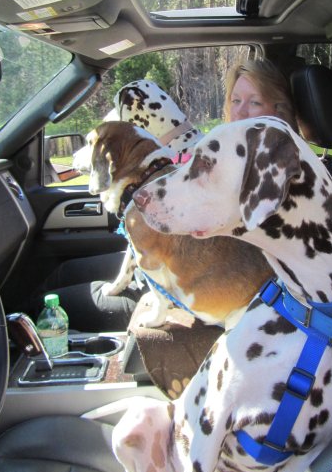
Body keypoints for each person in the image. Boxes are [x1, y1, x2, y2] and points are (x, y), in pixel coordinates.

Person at [32, 60, 300, 332]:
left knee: (42, 301)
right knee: (61, 274)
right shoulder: (224, 155)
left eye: (254, 102)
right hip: (169, 274)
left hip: (190, 290)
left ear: (278, 111)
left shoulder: (265, 174)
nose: (240, 111)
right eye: (235, 99)